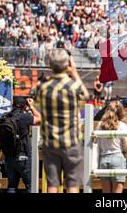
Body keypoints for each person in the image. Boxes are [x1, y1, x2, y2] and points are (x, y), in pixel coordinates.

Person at [37, 49, 90, 193]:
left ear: (50, 65)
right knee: (72, 185)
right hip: (71, 142)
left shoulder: (42, 88)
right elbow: (86, 95)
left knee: (52, 185)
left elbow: (39, 106)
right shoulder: (73, 86)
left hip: (50, 142)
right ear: (68, 64)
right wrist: (74, 73)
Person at [1, 96, 41, 193]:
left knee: (11, 186)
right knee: (30, 185)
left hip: (9, 156)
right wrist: (31, 107)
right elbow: (40, 120)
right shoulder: (25, 117)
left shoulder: (5, 117)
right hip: (24, 155)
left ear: (12, 105)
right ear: (24, 106)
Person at [97, 101, 127, 193]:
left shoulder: (100, 125)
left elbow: (96, 143)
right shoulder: (123, 126)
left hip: (103, 159)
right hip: (118, 158)